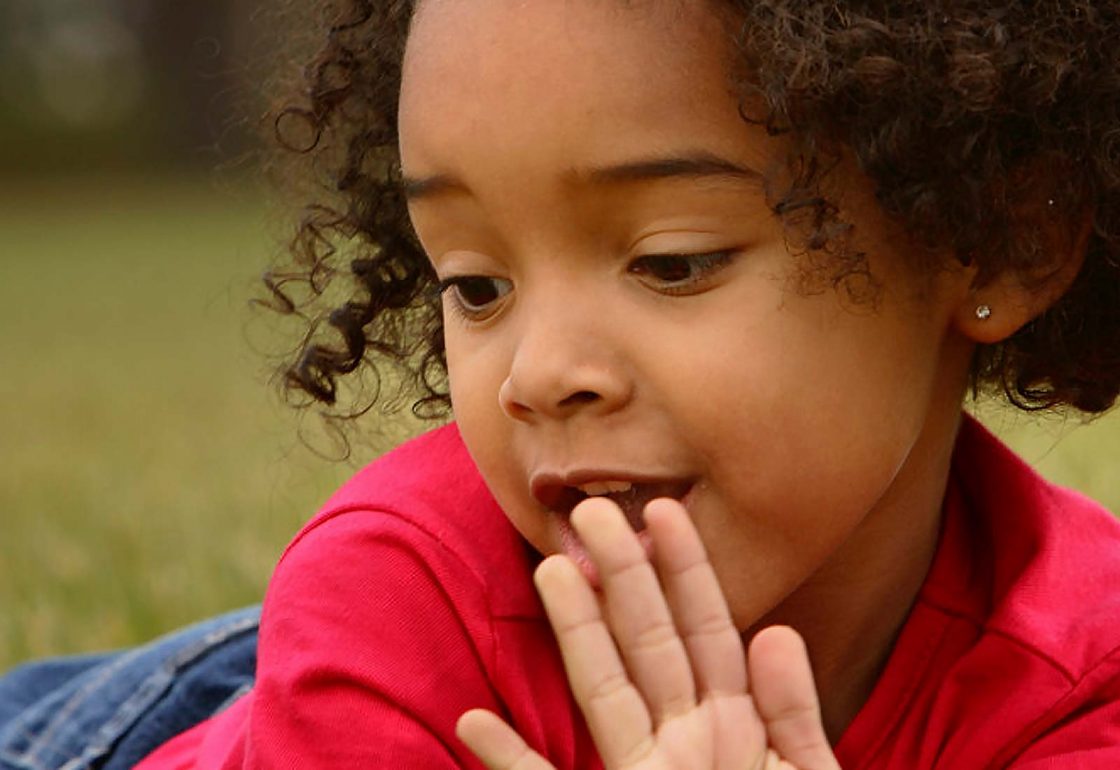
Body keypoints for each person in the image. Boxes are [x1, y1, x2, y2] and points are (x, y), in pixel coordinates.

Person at [3, 0, 1120, 767]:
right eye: (477, 284)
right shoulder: (402, 603)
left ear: (1003, 238)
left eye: (671, 261)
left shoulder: (1085, 676)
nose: (535, 375)